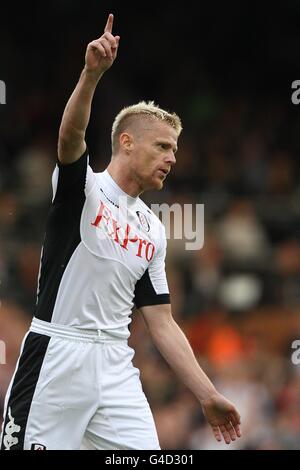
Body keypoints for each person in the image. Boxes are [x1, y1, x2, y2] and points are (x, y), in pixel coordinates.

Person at [0, 13, 241, 450]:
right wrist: (91, 75)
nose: (172, 157)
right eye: (163, 146)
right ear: (127, 142)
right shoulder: (83, 190)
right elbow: (70, 135)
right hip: (56, 355)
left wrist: (207, 394)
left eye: (175, 149)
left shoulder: (151, 229)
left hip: (115, 365)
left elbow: (162, 324)